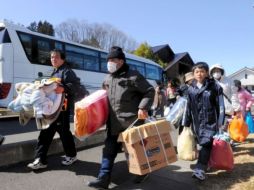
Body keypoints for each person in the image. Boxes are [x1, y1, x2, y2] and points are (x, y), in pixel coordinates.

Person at [86, 46, 155, 189]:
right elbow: (103, 96)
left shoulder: (133, 75)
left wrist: (143, 107)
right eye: (108, 60)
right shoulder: (107, 78)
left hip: (131, 122)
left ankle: (142, 172)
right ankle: (103, 178)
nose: (109, 62)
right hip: (113, 123)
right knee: (108, 150)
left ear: (121, 61)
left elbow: (149, 91)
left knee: (134, 150)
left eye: (113, 59)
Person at [27, 49, 78, 170]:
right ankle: (40, 159)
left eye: (56, 57)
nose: (53, 59)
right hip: (51, 109)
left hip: (62, 110)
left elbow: (76, 86)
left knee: (64, 134)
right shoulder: (54, 73)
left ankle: (71, 155)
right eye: (51, 57)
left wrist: (64, 88)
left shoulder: (67, 72)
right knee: (45, 133)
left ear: (62, 59)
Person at [182, 62, 225, 181]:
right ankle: (208, 163)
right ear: (193, 74)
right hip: (197, 122)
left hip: (211, 121)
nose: (199, 74)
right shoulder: (191, 88)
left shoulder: (215, 87)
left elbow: (221, 106)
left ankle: (200, 169)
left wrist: (221, 122)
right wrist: (186, 123)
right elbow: (188, 106)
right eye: (197, 71)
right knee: (203, 144)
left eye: (202, 71)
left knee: (206, 144)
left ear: (206, 73)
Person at [210, 64, 241, 130]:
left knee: (224, 130)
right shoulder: (210, 82)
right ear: (211, 72)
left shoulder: (229, 81)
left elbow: (234, 95)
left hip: (226, 110)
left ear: (221, 71)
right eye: (214, 71)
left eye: (218, 71)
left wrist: (236, 108)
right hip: (213, 110)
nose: (216, 73)